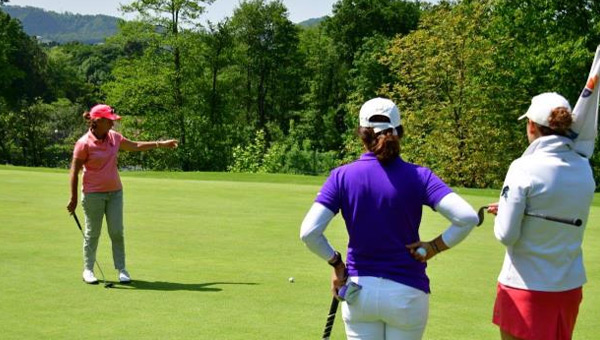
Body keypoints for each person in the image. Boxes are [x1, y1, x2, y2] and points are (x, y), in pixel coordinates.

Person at [300, 97, 479, 339]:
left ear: (362, 134)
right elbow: (467, 217)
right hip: (407, 292)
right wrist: (433, 247)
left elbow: (309, 232)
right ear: (400, 132)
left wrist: (336, 264)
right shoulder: (420, 176)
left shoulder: (341, 176)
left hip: (359, 292)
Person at [485, 92, 595, 340]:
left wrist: (506, 214)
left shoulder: (522, 167)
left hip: (524, 287)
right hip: (568, 286)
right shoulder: (583, 166)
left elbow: (506, 234)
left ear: (532, 125)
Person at [66, 104, 178, 285]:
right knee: (92, 233)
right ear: (99, 121)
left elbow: (135, 145)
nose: (113, 124)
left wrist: (160, 144)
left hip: (115, 193)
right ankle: (88, 269)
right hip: (93, 194)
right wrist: (73, 198)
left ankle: (121, 268)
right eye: (110, 121)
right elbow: (74, 171)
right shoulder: (83, 143)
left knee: (117, 232)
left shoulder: (114, 138)